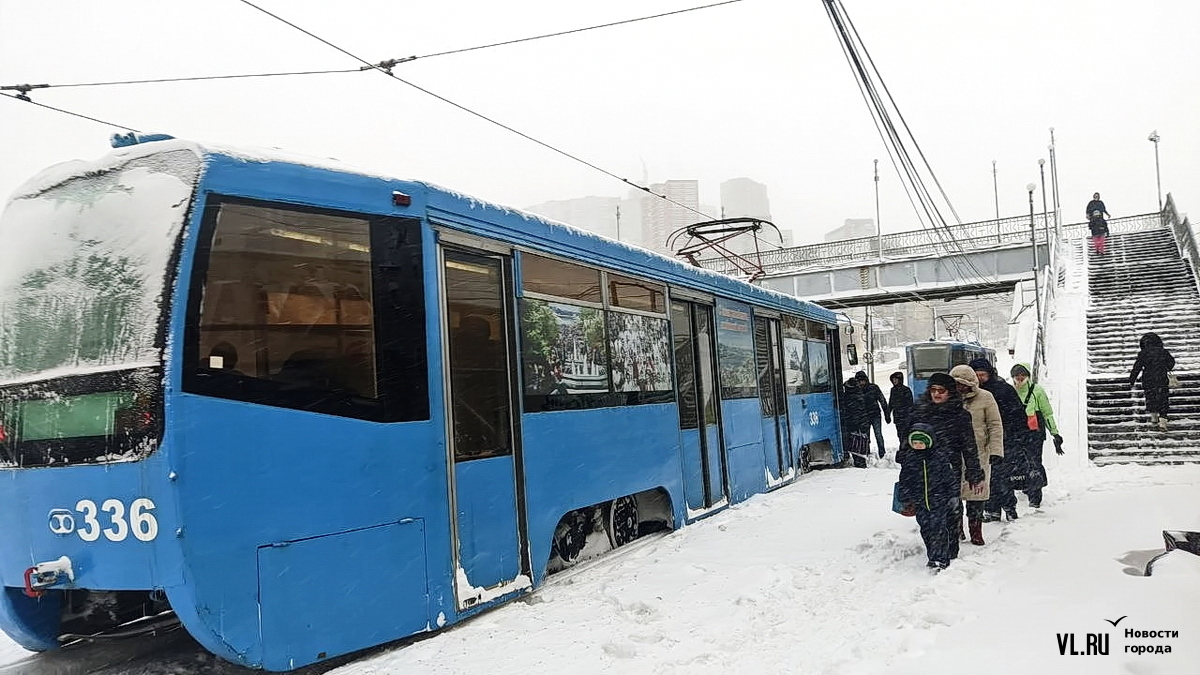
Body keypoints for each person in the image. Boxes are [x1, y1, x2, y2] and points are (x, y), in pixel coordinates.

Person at [896, 372, 985, 572]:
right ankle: (935, 551)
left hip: (948, 469)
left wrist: (974, 472)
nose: (937, 394)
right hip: (921, 469)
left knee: (950, 512)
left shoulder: (960, 415)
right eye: (933, 390)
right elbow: (907, 436)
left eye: (941, 391)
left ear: (950, 392)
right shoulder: (919, 411)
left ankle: (948, 550)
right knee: (926, 516)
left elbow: (969, 446)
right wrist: (904, 455)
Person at [948, 365, 1004, 547]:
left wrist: (996, 451)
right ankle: (957, 529)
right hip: (953, 455)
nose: (960, 388)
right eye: (956, 384)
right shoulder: (947, 399)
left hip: (979, 454)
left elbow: (995, 425)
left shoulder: (986, 398)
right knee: (953, 495)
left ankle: (976, 530)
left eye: (963, 384)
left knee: (976, 496)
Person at [969, 358, 1026, 522]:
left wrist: (1015, 435)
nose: (980, 379)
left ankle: (1009, 507)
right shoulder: (969, 394)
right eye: (976, 375)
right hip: (979, 442)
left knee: (1001, 476)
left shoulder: (1003, 390)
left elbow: (1018, 414)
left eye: (983, 375)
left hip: (1003, 440)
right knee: (986, 478)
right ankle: (991, 509)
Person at [1010, 363, 1064, 508]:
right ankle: (1025, 486)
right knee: (1019, 464)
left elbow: (1047, 414)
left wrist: (1055, 433)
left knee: (1034, 463)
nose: (1020, 378)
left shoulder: (1037, 391)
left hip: (1034, 434)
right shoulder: (1009, 391)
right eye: (1016, 376)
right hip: (1016, 434)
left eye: (1023, 375)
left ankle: (1035, 495)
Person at [1129, 332, 1176, 431]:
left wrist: (1132, 379)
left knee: (1151, 397)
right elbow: (1171, 363)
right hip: (1161, 378)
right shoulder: (1163, 352)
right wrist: (1165, 366)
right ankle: (1163, 421)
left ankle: (1154, 418)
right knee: (1163, 399)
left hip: (1148, 379)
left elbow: (1137, 367)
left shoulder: (1143, 353)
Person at [855, 371, 890, 459]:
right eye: (859, 381)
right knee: (866, 437)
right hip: (864, 416)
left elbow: (882, 400)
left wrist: (887, 414)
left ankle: (882, 453)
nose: (861, 383)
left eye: (862, 380)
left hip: (875, 415)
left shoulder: (873, 388)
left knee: (878, 434)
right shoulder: (856, 390)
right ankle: (867, 452)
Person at [840, 378, 871, 467]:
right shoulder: (860, 395)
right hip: (861, 423)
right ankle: (861, 462)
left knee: (855, 444)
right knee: (860, 444)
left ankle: (859, 462)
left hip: (854, 424)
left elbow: (852, 411)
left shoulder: (849, 397)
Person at [887, 371, 914, 444]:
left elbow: (910, 404)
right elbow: (891, 403)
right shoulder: (893, 390)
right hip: (897, 417)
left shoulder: (906, 390)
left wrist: (908, 415)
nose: (894, 381)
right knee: (900, 435)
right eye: (893, 380)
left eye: (896, 379)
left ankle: (905, 448)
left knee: (906, 435)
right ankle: (903, 447)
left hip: (905, 417)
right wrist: (888, 414)